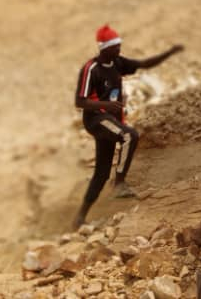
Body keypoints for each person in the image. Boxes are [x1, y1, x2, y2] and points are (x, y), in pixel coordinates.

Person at [72, 25, 184, 228]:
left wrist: (170, 52)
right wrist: (106, 105)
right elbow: (80, 102)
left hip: (112, 120)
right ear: (104, 48)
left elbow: (144, 64)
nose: (119, 50)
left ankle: (80, 216)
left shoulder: (117, 62)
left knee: (101, 172)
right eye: (115, 47)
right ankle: (120, 183)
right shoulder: (91, 69)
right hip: (97, 119)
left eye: (119, 45)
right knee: (129, 135)